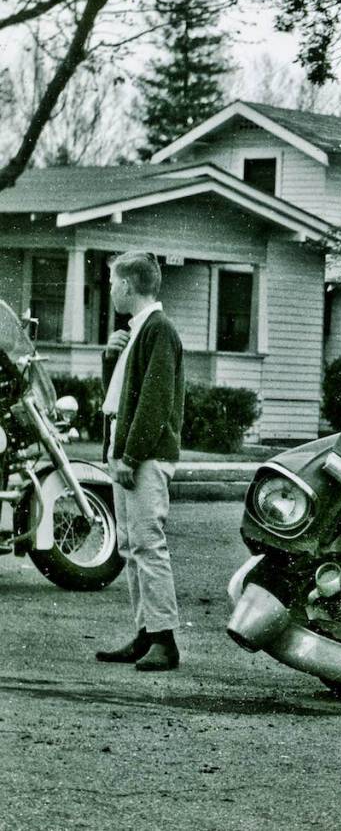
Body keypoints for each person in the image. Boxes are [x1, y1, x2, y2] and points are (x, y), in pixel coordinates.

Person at [95, 252, 186, 672]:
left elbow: (155, 400)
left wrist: (131, 455)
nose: (111, 290)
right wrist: (111, 358)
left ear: (129, 285)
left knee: (148, 544)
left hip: (143, 456)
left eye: (114, 283)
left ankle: (165, 641)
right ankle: (146, 633)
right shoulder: (136, 332)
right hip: (126, 451)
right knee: (131, 545)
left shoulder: (158, 330)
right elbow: (119, 396)